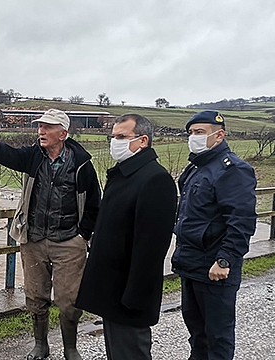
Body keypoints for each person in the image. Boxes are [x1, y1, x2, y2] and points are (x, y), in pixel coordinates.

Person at [0, 109, 100, 360]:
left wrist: (83, 235)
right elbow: (12, 156)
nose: (41, 131)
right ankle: (41, 344)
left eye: (48, 127)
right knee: (36, 296)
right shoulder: (34, 156)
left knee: (69, 300)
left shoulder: (82, 164)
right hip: (34, 240)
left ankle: (71, 348)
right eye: (40, 126)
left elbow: (94, 203)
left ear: (63, 133)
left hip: (69, 241)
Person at [75, 114, 178, 360]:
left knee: (131, 353)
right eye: (113, 137)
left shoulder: (155, 180)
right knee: (117, 352)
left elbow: (151, 248)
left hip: (129, 294)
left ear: (143, 141)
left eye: (122, 137)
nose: (115, 142)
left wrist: (135, 297)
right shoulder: (124, 174)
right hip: (112, 287)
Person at [171, 110, 257, 360]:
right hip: (191, 262)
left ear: (219, 136)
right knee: (197, 332)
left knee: (218, 336)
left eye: (200, 133)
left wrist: (225, 259)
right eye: (191, 133)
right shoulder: (196, 168)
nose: (193, 137)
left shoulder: (232, 169)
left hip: (215, 267)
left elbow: (241, 221)